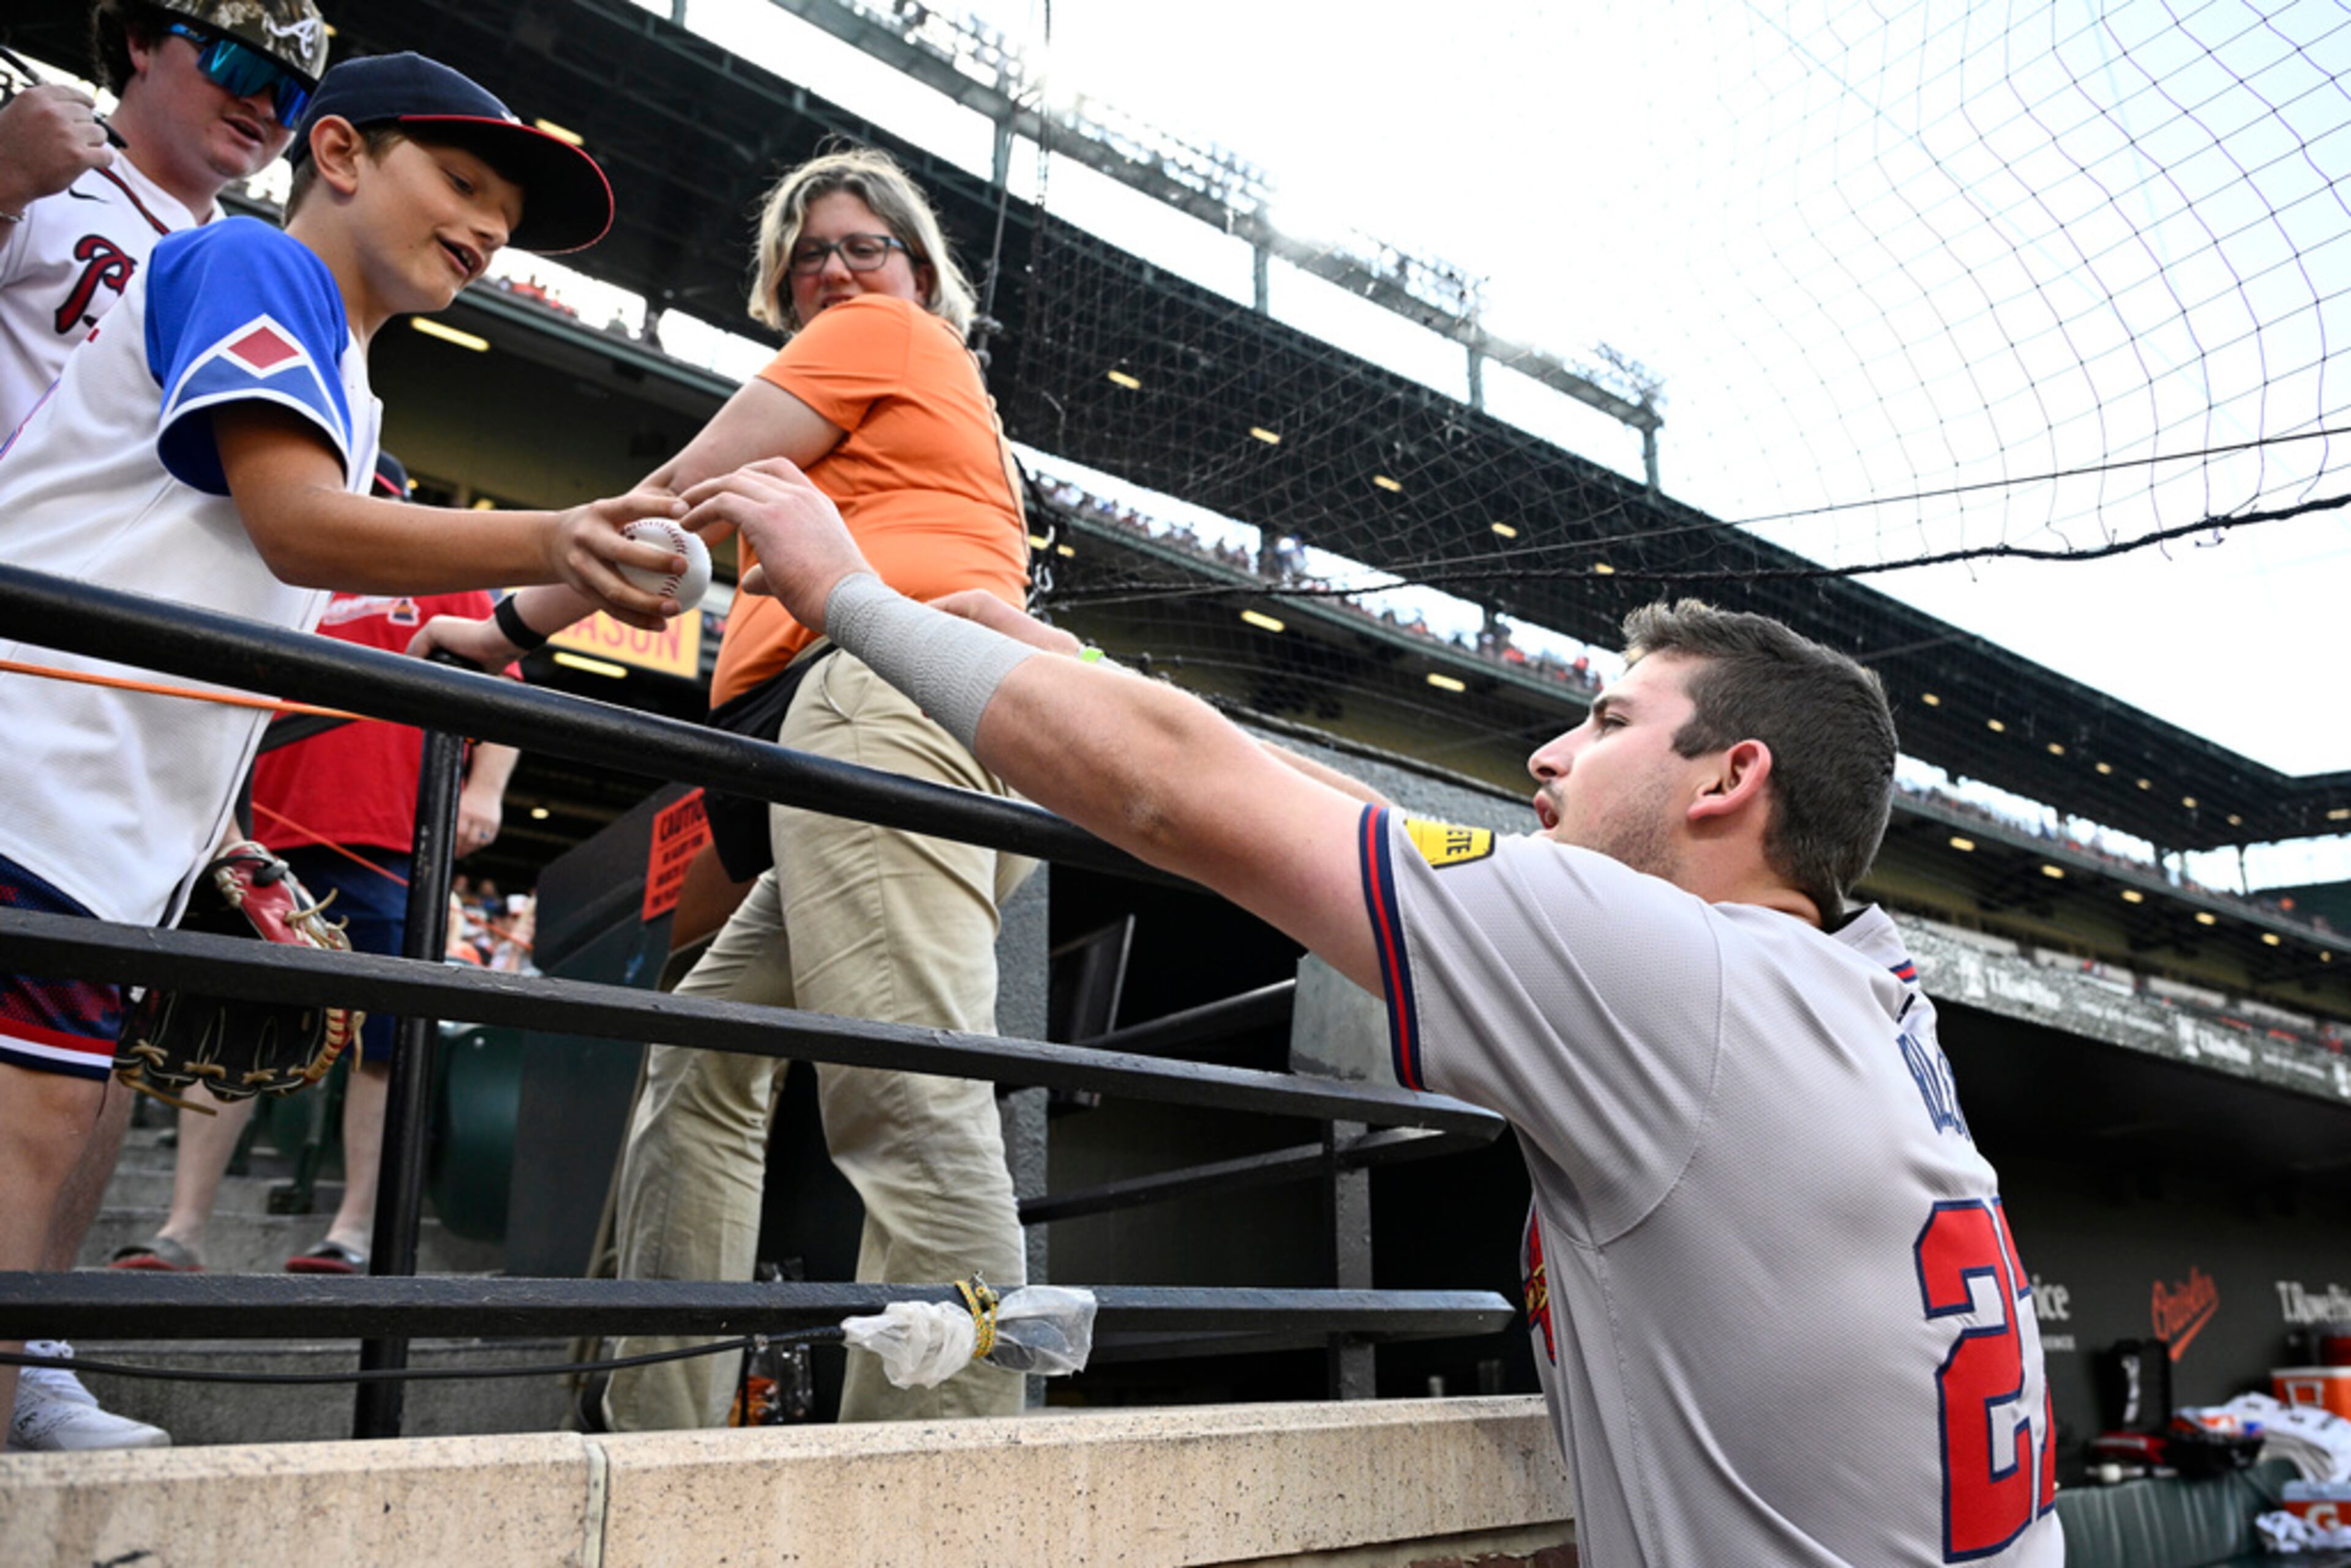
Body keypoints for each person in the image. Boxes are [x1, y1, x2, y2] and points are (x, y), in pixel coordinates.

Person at [683, 459, 2064, 1566]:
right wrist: (1072, 660)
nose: (1549, 750)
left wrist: (854, 598)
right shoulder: (1858, 990)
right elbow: (1364, 829)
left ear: (1727, 780)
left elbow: (1180, 796)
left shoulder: (1674, 970)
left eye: (1607, 720)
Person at [0, 50, 689, 1452]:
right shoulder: (254, 264)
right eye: (464, 180)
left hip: (106, 815)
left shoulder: (354, 383)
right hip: (29, 774)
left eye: (510, 210)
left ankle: (37, 1403)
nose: (491, 227)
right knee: (22, 1172)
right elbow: (294, 523)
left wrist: (543, 595)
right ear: (337, 155)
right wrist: (555, 531)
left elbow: (343, 642)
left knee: (51, 1172)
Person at [418, 145, 1037, 1428]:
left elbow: (681, 497)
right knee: (700, 1070)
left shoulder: (888, 335)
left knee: (906, 1091)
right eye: (809, 253)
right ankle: (664, 1446)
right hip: (841, 733)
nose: (836, 269)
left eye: (867, 246)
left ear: (918, 275)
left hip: (885, 705)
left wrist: (506, 630)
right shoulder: (904, 386)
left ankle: (952, 1500)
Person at [0, 0, 328, 1455]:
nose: (268, 104)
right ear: (137, 42)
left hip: (115, 702)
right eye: (240, 64)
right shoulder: (48, 177)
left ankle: (36, 1351)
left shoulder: (269, 270)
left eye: (296, 89)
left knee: (84, 1063)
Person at [105, 454, 523, 1279]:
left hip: (398, 836)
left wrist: (486, 789)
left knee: (386, 1041)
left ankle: (356, 1229)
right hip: (266, 839)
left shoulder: (432, 564)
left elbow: (506, 682)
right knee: (231, 1028)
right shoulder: (285, 558)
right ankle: (183, 1228)